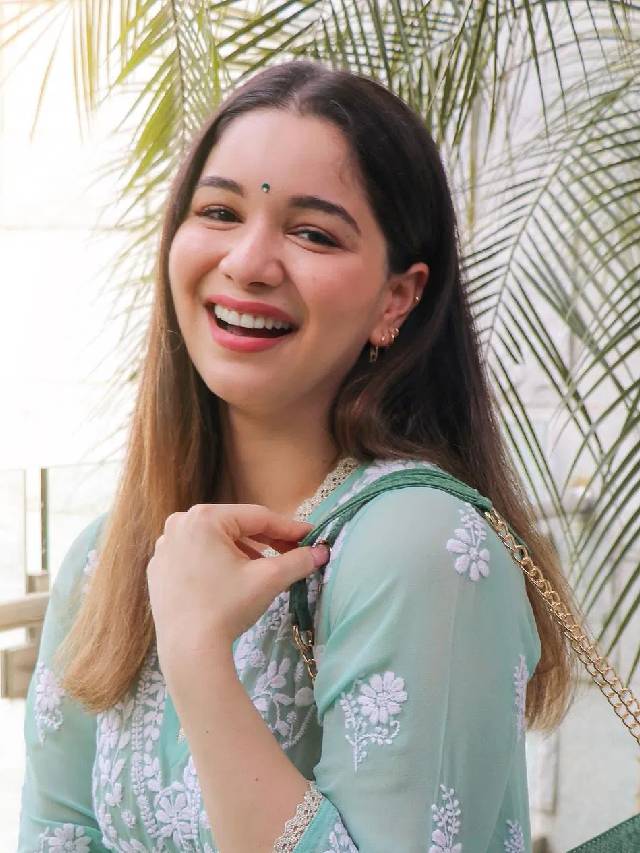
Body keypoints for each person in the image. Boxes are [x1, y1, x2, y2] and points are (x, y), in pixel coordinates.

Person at [17, 60, 581, 852]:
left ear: (397, 297)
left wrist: (197, 653)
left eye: (313, 232)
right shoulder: (105, 558)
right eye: (219, 211)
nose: (249, 263)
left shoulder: (422, 546)